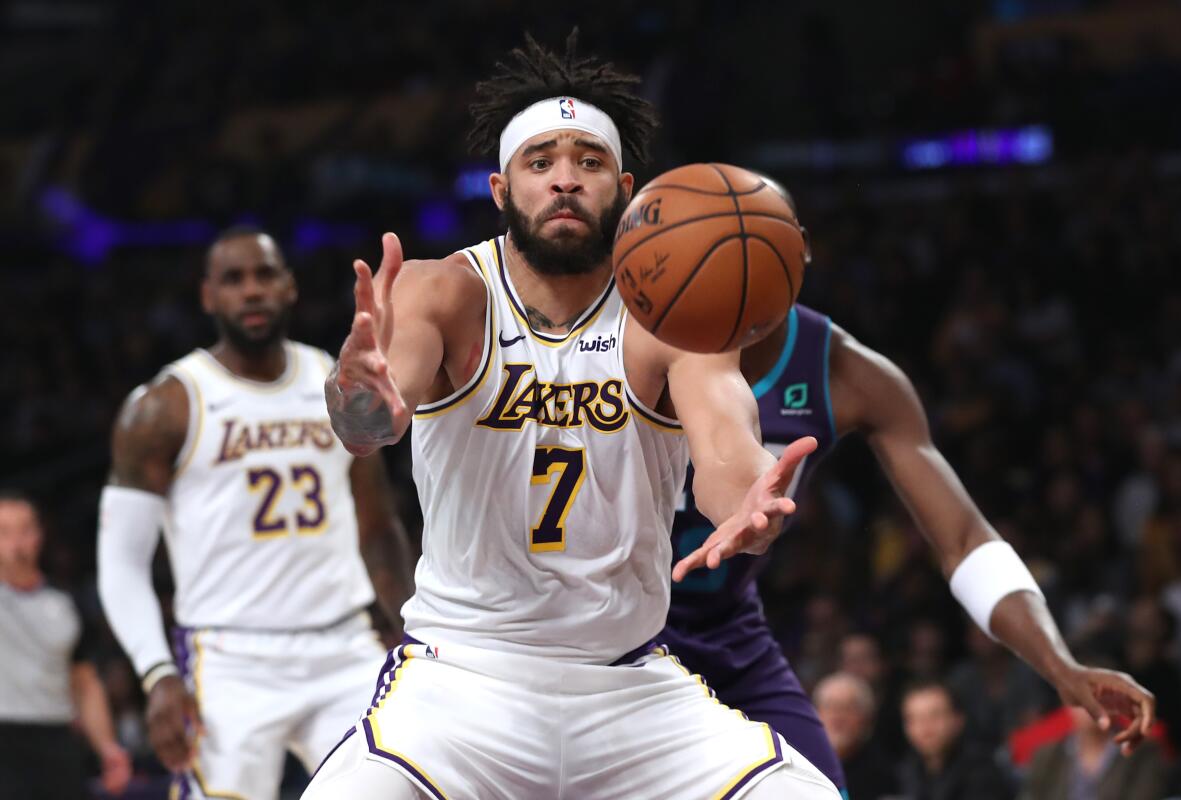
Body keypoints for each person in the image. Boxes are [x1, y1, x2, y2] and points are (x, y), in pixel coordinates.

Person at [304, 32, 840, 800]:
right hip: (459, 685)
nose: (564, 180)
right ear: (499, 188)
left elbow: (728, 458)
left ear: (626, 189)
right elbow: (368, 425)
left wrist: (756, 502)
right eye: (540, 161)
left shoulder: (672, 319)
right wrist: (361, 397)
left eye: (588, 162)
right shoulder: (443, 291)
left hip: (629, 688)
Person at [660, 175, 1159, 792]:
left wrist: (1060, 664)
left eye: (757, 251)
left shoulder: (848, 373)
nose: (738, 275)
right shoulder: (622, 348)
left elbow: (964, 538)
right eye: (718, 256)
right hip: (614, 626)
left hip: (724, 629)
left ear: (801, 253)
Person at [97, 228, 413, 800]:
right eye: (234, 280)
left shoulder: (335, 384)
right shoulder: (165, 405)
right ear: (208, 296)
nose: (252, 291)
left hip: (342, 644)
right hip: (227, 659)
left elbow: (378, 525)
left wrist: (413, 629)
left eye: (265, 275)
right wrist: (157, 674)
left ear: (289, 287)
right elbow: (120, 561)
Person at [0, 492, 132, 799]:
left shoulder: (65, 602)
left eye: (24, 530)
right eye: (4, 532)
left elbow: (85, 683)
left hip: (57, 739)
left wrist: (108, 747)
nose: (16, 542)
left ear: (39, 535)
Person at [1020, 705, 1169, 800]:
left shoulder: (1142, 752)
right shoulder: (1048, 755)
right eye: (1080, 700)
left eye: (1098, 698)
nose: (1088, 707)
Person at [898, 679, 1014, 800]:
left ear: (958, 720)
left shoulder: (982, 772)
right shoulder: (906, 771)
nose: (925, 728)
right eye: (914, 719)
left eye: (935, 716)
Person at [813, 672, 898, 800]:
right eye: (829, 706)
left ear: (867, 717)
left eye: (847, 708)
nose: (837, 717)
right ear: (815, 714)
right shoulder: (800, 765)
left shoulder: (887, 774)